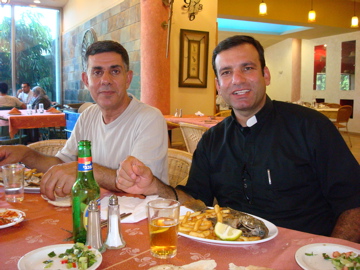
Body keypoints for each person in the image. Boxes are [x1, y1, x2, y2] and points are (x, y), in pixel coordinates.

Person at [116, 35, 360, 243]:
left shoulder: (310, 126)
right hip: (232, 250)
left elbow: (354, 202)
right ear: (218, 85)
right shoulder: (212, 140)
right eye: (226, 72)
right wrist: (154, 187)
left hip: (301, 250)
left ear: (265, 74)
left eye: (247, 68)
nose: (237, 80)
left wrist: (325, 255)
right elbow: (195, 201)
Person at [0, 40, 168, 201]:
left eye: (115, 71)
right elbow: (62, 162)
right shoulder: (88, 115)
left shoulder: (149, 118)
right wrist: (25, 154)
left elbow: (136, 182)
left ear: (128, 78)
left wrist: (82, 169)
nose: (106, 80)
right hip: (96, 212)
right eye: (97, 72)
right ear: (86, 80)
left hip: (141, 219)